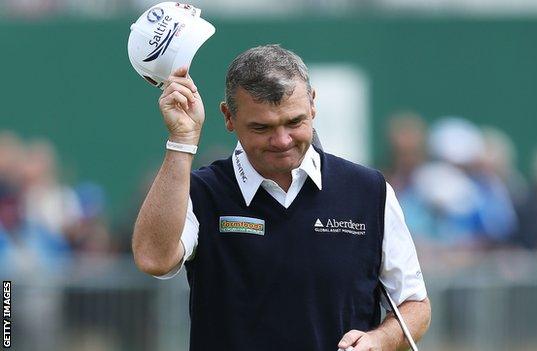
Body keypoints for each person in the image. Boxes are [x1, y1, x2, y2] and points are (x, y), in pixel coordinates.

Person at [132, 44, 430, 351]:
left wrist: (379, 340)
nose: (282, 140)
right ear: (228, 117)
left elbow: (414, 305)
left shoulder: (369, 190)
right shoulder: (203, 191)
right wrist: (182, 140)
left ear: (312, 105)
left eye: (294, 122)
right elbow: (154, 259)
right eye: (262, 127)